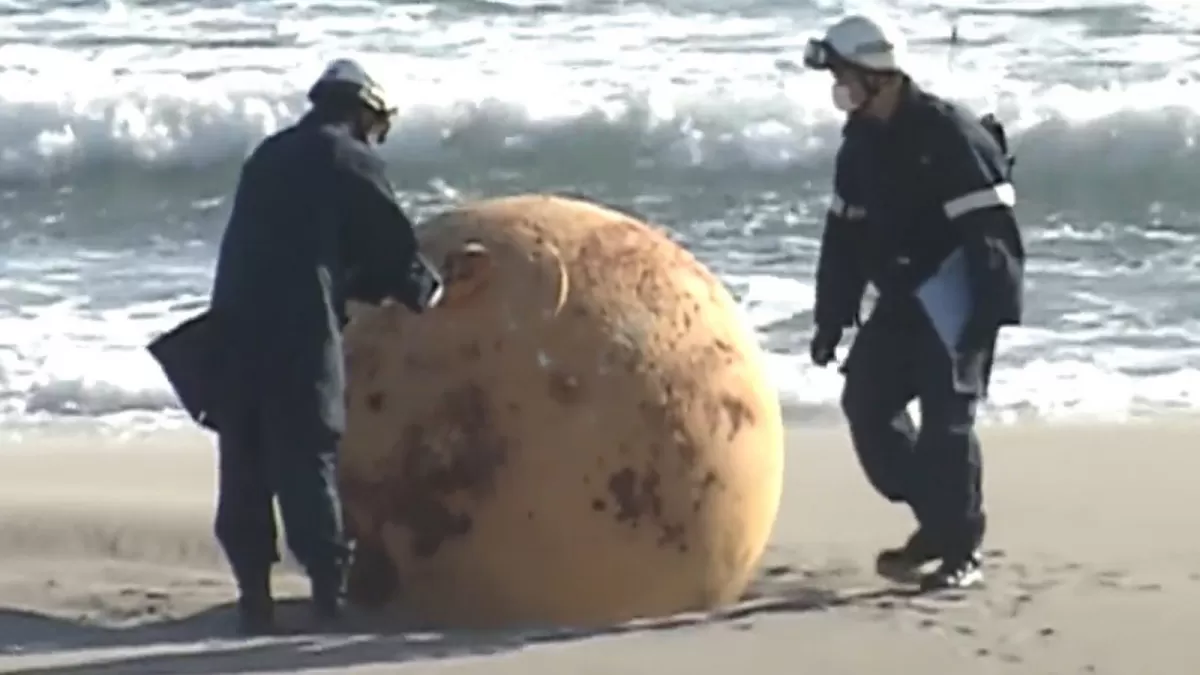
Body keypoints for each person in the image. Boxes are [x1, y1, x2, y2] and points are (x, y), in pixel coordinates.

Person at [203, 58, 443, 633]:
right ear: (364, 111)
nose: (378, 136)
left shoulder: (270, 153)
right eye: (379, 125)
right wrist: (429, 291)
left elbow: (309, 246)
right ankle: (329, 598)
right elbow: (390, 247)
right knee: (308, 452)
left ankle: (253, 600)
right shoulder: (349, 158)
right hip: (297, 329)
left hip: (232, 326)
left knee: (245, 459)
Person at [802, 15, 1026, 591]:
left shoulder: (951, 135)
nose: (838, 88)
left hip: (959, 292)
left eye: (845, 75)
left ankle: (960, 553)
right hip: (902, 297)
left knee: (946, 427)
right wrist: (832, 317)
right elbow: (844, 235)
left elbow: (995, 238)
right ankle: (938, 519)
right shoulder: (859, 141)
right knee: (867, 407)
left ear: (880, 77)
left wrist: (985, 320)